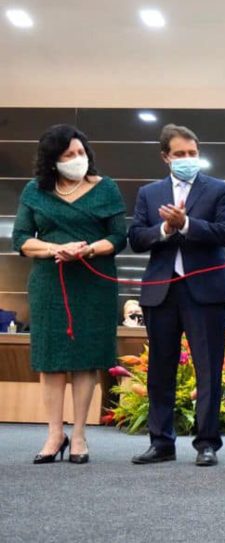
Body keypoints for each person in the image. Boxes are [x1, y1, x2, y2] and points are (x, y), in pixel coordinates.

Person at [12, 124, 127, 464]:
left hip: (94, 283)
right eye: (68, 155)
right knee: (51, 359)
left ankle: (78, 435)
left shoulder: (106, 188)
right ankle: (54, 434)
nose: (78, 158)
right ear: (53, 160)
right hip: (50, 282)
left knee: (85, 358)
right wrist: (53, 249)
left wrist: (87, 250)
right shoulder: (35, 191)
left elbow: (118, 238)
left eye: (81, 152)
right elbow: (20, 239)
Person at [128, 124, 225, 467]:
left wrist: (187, 224)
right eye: (180, 154)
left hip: (206, 292)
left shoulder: (219, 190)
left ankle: (207, 443)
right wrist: (164, 228)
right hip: (161, 292)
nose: (188, 158)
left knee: (209, 369)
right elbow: (136, 238)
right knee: (160, 369)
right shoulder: (149, 193)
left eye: (193, 153)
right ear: (166, 157)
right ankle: (161, 442)